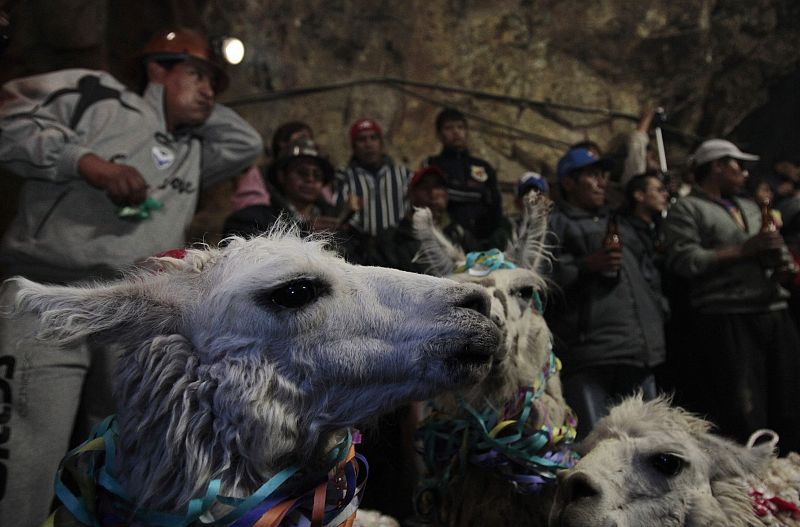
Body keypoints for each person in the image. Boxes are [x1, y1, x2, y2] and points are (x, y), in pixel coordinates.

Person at [0, 27, 262, 525]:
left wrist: (186, 103)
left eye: (214, 83)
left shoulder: (193, 149)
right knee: (28, 443)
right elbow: (8, 117)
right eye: (197, 75)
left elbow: (246, 142)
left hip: (136, 307)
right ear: (156, 67)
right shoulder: (96, 96)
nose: (209, 91)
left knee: (119, 449)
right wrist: (84, 162)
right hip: (50, 292)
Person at [663, 138, 800, 454]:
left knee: (788, 394)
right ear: (717, 167)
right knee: (744, 403)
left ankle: (792, 464)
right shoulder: (688, 209)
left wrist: (781, 265)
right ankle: (753, 469)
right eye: (738, 165)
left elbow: (768, 249)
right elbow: (685, 260)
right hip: (728, 314)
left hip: (772, 307)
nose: (745, 173)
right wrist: (743, 250)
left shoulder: (750, 207)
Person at [545, 147, 666, 439]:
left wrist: (659, 310)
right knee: (597, 446)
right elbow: (540, 280)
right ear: (569, 183)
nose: (601, 183)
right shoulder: (554, 225)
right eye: (592, 176)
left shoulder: (621, 223)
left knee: (650, 444)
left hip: (639, 352)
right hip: (590, 355)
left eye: (603, 175)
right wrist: (584, 266)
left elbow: (649, 274)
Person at [424, 107, 509, 250]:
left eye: (460, 127)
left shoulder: (483, 167)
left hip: (484, 242)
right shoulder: (432, 165)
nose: (456, 132)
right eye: (449, 128)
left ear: (467, 132)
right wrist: (476, 194)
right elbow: (432, 199)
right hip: (447, 241)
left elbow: (495, 204)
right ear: (439, 135)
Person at [367, 165, 477, 273]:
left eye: (438, 187)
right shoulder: (392, 240)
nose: (433, 194)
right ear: (412, 194)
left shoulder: (459, 235)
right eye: (424, 187)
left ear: (446, 194)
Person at [223, 138, 339, 237]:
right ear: (281, 176)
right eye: (302, 173)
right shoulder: (253, 219)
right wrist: (304, 232)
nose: (310, 179)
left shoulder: (334, 219)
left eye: (317, 175)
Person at [334, 118, 410, 254]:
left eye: (373, 138)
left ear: (381, 143)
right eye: (361, 140)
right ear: (354, 147)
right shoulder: (342, 177)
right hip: (359, 251)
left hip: (398, 250)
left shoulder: (403, 175)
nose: (368, 144)